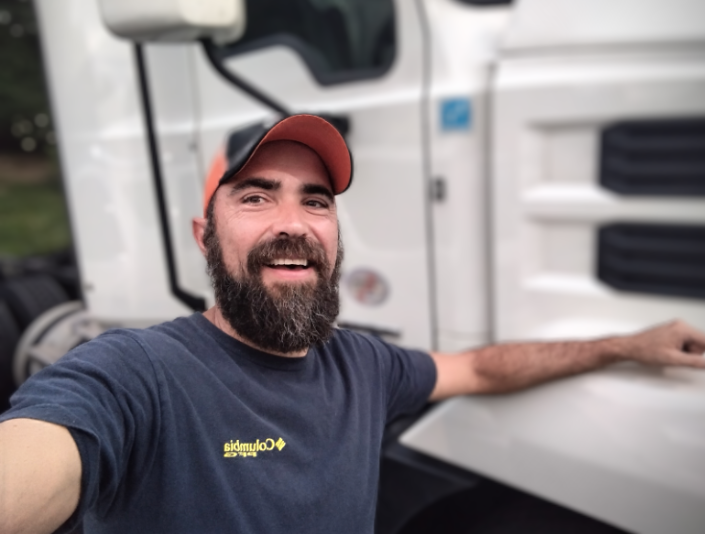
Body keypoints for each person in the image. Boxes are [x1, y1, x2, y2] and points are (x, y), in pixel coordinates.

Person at [1, 114, 704, 534]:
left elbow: (481, 368)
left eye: (316, 201)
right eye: (255, 197)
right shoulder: (139, 373)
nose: (292, 224)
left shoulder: (363, 366)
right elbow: (37, 458)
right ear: (204, 236)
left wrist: (626, 345)